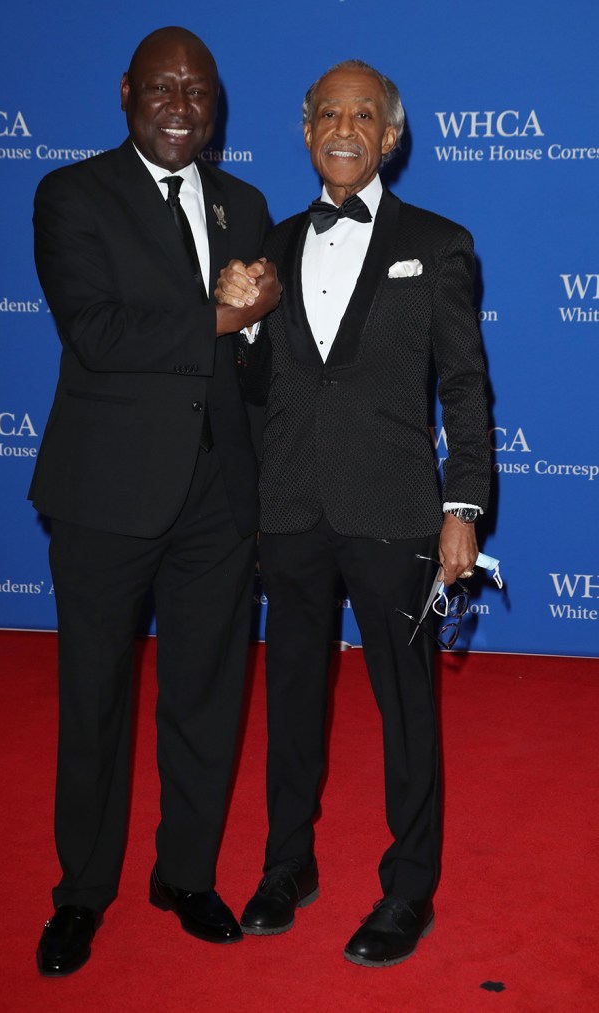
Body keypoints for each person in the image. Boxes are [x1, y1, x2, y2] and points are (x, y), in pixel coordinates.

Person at [216, 59, 491, 967]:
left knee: (406, 705)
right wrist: (246, 328)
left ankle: (409, 885)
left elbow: (464, 386)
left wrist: (464, 507)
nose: (344, 127)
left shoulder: (441, 244)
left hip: (395, 509)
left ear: (391, 135)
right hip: (291, 507)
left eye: (363, 115)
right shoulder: (275, 245)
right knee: (291, 696)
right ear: (305, 131)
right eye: (327, 113)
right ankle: (286, 863)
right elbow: (260, 390)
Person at [31, 26, 280, 976]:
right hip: (106, 492)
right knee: (94, 699)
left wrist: (259, 326)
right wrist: (228, 315)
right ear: (128, 92)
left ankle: (184, 872)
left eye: (200, 95)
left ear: (217, 108)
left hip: (219, 495)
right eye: (164, 90)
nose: (182, 108)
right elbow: (97, 332)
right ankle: (82, 891)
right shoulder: (72, 195)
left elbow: (251, 363)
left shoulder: (245, 203)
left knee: (207, 698)